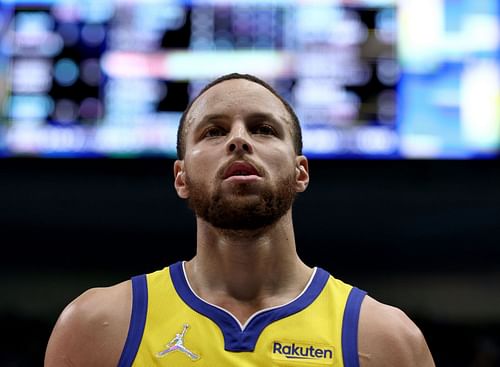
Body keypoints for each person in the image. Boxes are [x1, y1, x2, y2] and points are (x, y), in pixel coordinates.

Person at [45, 73, 435, 367]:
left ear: (301, 172)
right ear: (180, 177)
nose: (239, 140)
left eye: (263, 129)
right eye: (214, 131)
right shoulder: (97, 327)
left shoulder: (386, 339)